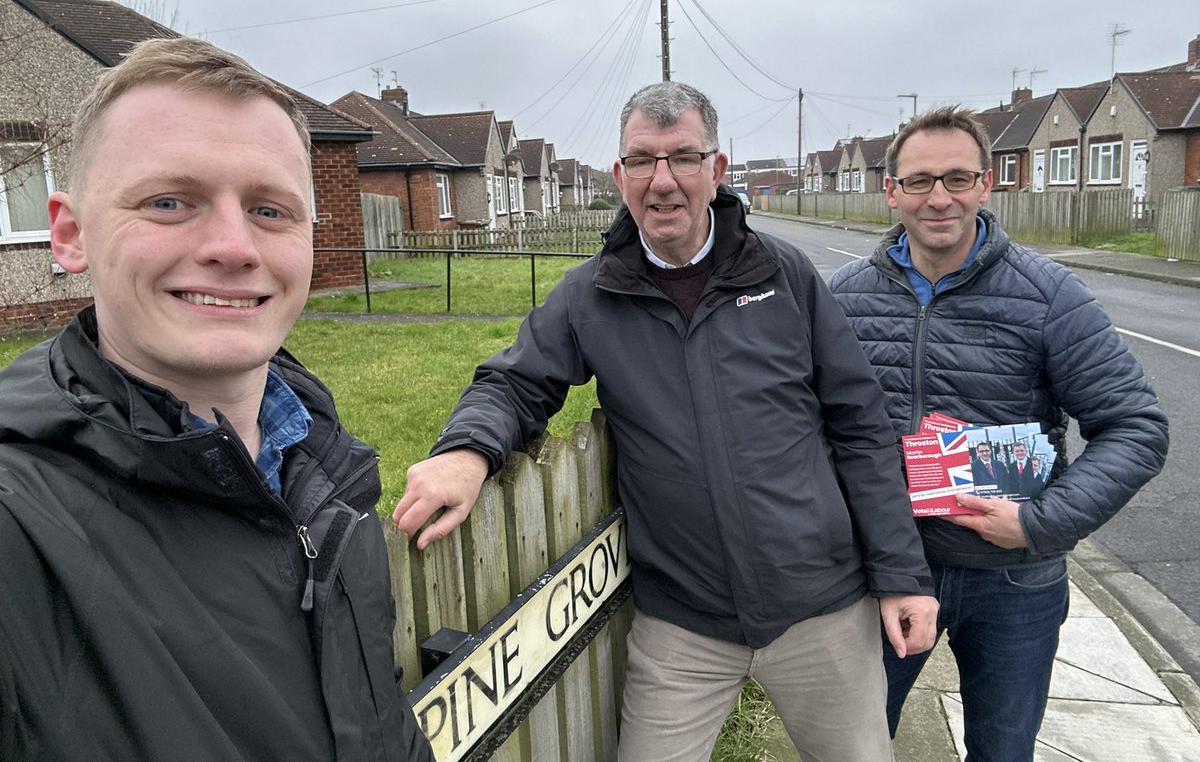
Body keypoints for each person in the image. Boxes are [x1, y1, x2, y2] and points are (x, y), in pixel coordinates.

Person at [393, 81, 938, 761]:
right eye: (642, 160)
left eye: (682, 157)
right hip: (684, 627)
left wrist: (902, 574)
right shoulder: (591, 295)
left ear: (716, 170)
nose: (662, 181)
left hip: (822, 609)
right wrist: (466, 452)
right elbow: (513, 381)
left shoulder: (785, 276)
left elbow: (861, 426)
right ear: (619, 176)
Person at [0, 37, 433, 761]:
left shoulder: (324, 466)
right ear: (70, 235)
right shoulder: (19, 523)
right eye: (170, 202)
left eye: (270, 210)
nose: (234, 246)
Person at [829, 106, 1168, 761]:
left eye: (958, 178)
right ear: (892, 190)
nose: (939, 197)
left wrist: (1041, 522)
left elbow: (1135, 428)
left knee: (1002, 751)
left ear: (987, 185)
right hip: (888, 574)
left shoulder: (1049, 296)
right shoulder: (843, 298)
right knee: (855, 745)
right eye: (920, 180)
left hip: (1014, 581)